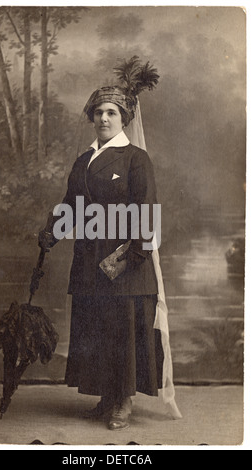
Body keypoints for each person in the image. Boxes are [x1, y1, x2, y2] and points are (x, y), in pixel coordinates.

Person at [39, 62, 181, 430]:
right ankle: (107, 396)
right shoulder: (84, 161)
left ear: (124, 118)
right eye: (99, 112)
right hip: (89, 261)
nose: (104, 118)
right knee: (97, 329)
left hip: (125, 265)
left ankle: (124, 401)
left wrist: (130, 258)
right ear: (92, 117)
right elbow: (71, 205)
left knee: (123, 331)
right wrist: (52, 232)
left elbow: (146, 213)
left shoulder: (136, 159)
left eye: (111, 113)